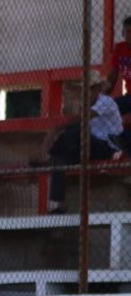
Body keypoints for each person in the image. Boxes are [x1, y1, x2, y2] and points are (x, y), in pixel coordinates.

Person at [42, 72, 124, 213]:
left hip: (108, 146)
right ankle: (58, 204)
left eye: (90, 88)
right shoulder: (87, 104)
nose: (87, 92)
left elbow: (83, 119)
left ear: (98, 88)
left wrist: (56, 129)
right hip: (90, 146)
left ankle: (47, 154)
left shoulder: (105, 102)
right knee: (59, 160)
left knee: (76, 128)